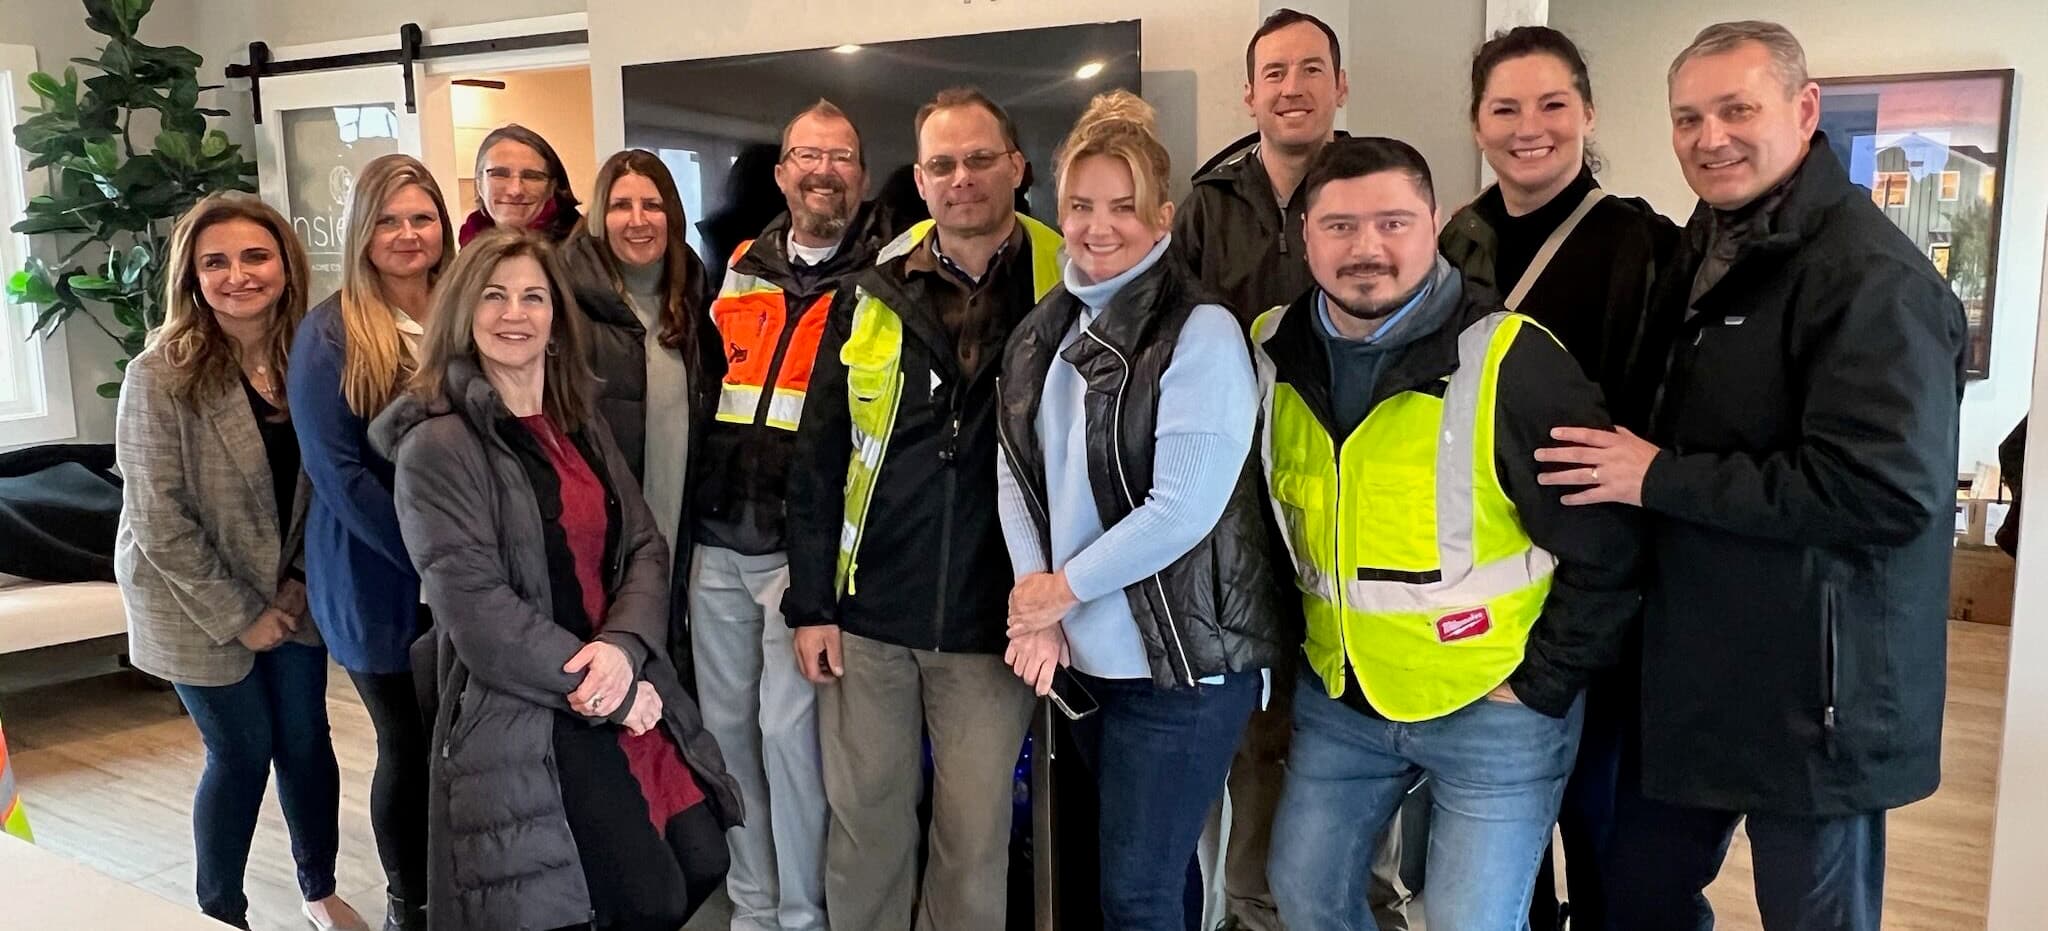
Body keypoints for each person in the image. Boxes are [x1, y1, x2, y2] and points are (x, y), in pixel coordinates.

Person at [1537, 22, 1966, 931]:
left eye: (1737, 110)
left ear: (1805, 111)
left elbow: (1886, 490)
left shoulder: (1870, 278)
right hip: (1694, 669)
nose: (1710, 138)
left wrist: (1659, 477)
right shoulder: (1708, 246)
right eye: (1688, 118)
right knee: (1636, 895)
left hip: (1818, 693)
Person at [1254, 138, 1642, 931]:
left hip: (1493, 704)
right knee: (1304, 892)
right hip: (1344, 699)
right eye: (1340, 226)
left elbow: (1607, 542)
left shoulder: (1511, 358)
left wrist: (1540, 684)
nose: (1366, 247)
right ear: (1305, 235)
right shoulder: (1268, 350)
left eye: (1393, 222)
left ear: (1435, 222)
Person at [371, 228, 741, 931]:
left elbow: (644, 544)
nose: (515, 313)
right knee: (645, 896)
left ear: (556, 316)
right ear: (463, 313)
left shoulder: (576, 418)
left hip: (616, 672)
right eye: (495, 296)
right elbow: (478, 613)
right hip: (529, 699)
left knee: (702, 856)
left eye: (533, 297)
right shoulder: (436, 444)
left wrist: (624, 649)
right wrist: (608, 689)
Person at [994, 90, 1289, 931]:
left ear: (1163, 216)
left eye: (1123, 206)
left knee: (1135, 893)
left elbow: (1181, 508)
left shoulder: (1201, 332)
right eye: (1081, 206)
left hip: (1184, 665)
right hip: (1093, 657)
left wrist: (1059, 592)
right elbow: (1014, 471)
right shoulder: (1043, 329)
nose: (1099, 227)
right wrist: (1039, 606)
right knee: (1150, 879)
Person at [783, 86, 1062, 931]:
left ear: (1016, 166)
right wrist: (812, 605)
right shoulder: (868, 292)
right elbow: (819, 457)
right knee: (866, 831)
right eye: (942, 164)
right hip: (870, 617)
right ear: (919, 179)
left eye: (980, 159)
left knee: (972, 843)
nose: (961, 177)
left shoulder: (1069, 283)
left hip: (992, 623)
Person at [1436, 26, 1681, 931]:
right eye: (1505, 108)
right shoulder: (1449, 243)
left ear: (1589, 113)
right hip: (1484, 585)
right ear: (1477, 124)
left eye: (1552, 104)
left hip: (1594, 576)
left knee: (1602, 824)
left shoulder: (1645, 245)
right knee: (1503, 839)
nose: (1528, 127)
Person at [1175, 11, 1393, 930]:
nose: (1292, 87)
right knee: (1257, 738)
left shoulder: (1381, 185)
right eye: (1274, 72)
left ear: (1340, 86)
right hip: (1238, 511)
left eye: (1311, 69)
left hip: (1355, 500)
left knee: (1359, 728)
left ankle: (1367, 901)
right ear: (1249, 92)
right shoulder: (1205, 205)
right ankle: (1253, 910)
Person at [114, 193, 366, 931]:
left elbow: (329, 484)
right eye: (215, 262)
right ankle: (220, 910)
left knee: (306, 741)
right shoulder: (158, 374)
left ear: (286, 264)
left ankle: (318, 888)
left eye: (255, 256)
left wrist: (300, 582)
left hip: (291, 589)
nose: (238, 275)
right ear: (192, 276)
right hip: (191, 597)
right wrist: (242, 614)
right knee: (243, 750)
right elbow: (157, 519)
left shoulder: (316, 357)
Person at [690, 98, 880, 931]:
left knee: (789, 743)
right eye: (808, 155)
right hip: (716, 540)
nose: (823, 172)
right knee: (727, 737)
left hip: (802, 555)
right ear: (781, 173)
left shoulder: (884, 277)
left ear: (861, 176)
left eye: (840, 157)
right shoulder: (740, 264)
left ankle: (803, 916)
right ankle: (753, 907)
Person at [287, 153, 454, 931]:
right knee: (407, 742)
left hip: (460, 569)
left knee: (453, 741)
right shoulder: (329, 333)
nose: (408, 233)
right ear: (361, 230)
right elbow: (339, 473)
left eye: (422, 217)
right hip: (375, 574)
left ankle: (456, 889)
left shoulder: (463, 309)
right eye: (388, 220)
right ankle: (407, 908)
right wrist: (428, 555)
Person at [459, 123, 584, 246]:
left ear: (551, 188)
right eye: (500, 174)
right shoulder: (469, 246)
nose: (515, 190)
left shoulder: (581, 250)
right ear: (480, 185)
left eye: (532, 176)